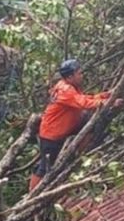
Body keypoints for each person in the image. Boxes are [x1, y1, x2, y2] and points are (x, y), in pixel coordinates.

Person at [29, 59, 118, 192]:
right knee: (45, 167)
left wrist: (105, 95)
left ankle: (80, 153)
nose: (81, 75)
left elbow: (85, 98)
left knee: (90, 121)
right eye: (79, 73)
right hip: (51, 135)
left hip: (63, 129)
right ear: (70, 76)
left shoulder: (69, 87)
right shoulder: (65, 90)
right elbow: (85, 103)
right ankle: (32, 195)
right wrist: (109, 102)